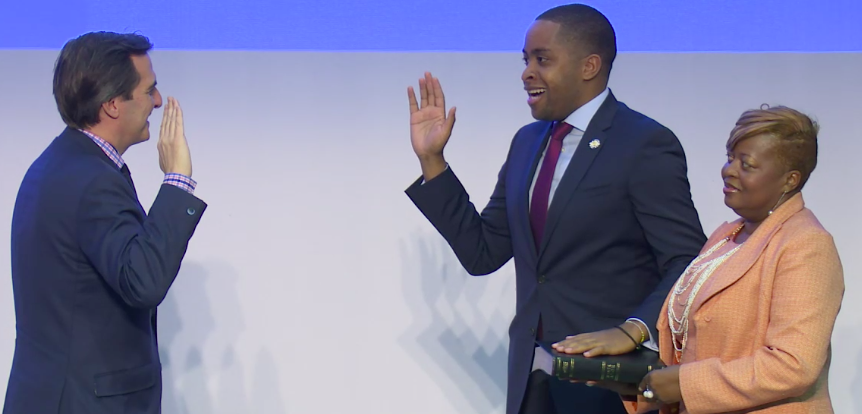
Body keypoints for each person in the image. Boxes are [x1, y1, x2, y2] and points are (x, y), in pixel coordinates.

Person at [404, 4, 706, 414]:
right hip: (532, 380)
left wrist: (632, 329)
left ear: (589, 66)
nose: (527, 72)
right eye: (526, 59)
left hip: (609, 384)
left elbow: (685, 259)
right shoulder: (527, 142)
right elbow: (483, 252)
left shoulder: (644, 143)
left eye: (542, 59)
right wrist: (433, 162)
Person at [2, 32, 206, 414]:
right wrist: (178, 180)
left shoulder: (55, 165)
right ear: (113, 104)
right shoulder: (93, 181)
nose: (158, 102)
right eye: (149, 91)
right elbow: (143, 281)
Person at [629, 106, 845, 413]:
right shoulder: (726, 235)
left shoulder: (806, 245)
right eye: (731, 157)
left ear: (789, 180)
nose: (729, 170)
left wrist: (684, 384)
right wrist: (636, 376)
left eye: (748, 164)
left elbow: (793, 365)